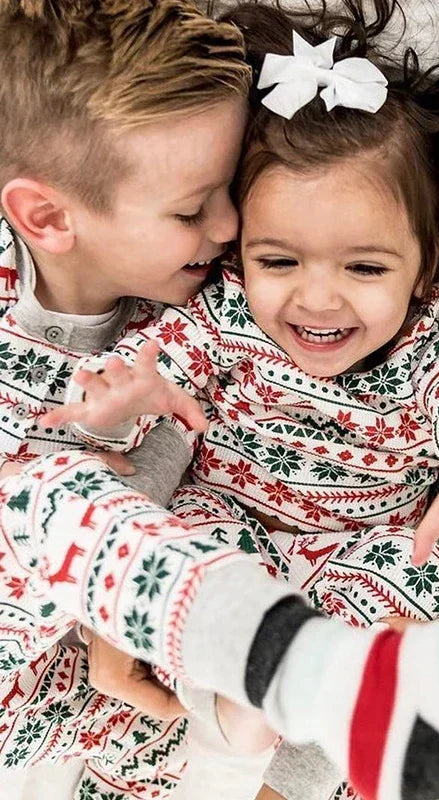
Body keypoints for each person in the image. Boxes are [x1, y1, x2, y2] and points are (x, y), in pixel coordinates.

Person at [39, 1, 439, 795]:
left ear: (426, 268)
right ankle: (173, 739)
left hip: (351, 554)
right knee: (181, 555)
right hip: (234, 531)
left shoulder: (432, 345)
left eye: (364, 269)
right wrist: (126, 435)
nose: (318, 302)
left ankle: (296, 772)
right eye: (279, 260)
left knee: (409, 581)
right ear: (238, 249)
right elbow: (163, 427)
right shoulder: (221, 317)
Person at [0, 1, 250, 796]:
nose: (229, 224)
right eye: (191, 210)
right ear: (46, 216)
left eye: (230, 188)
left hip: (89, 669)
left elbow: (183, 441)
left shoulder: (204, 318)